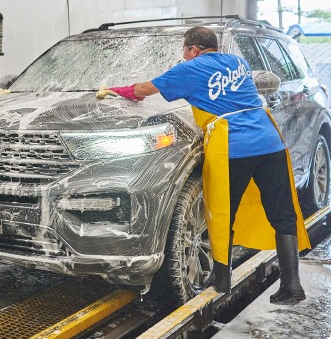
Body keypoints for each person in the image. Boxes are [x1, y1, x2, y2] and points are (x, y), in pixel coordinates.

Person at [98, 26, 310, 305]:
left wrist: (111, 90)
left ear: (194, 49)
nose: (184, 56)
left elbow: (142, 91)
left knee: (222, 212)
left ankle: (221, 281)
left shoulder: (188, 69)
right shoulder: (238, 62)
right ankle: (292, 286)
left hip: (234, 146)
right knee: (282, 214)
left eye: (185, 51)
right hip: (270, 142)